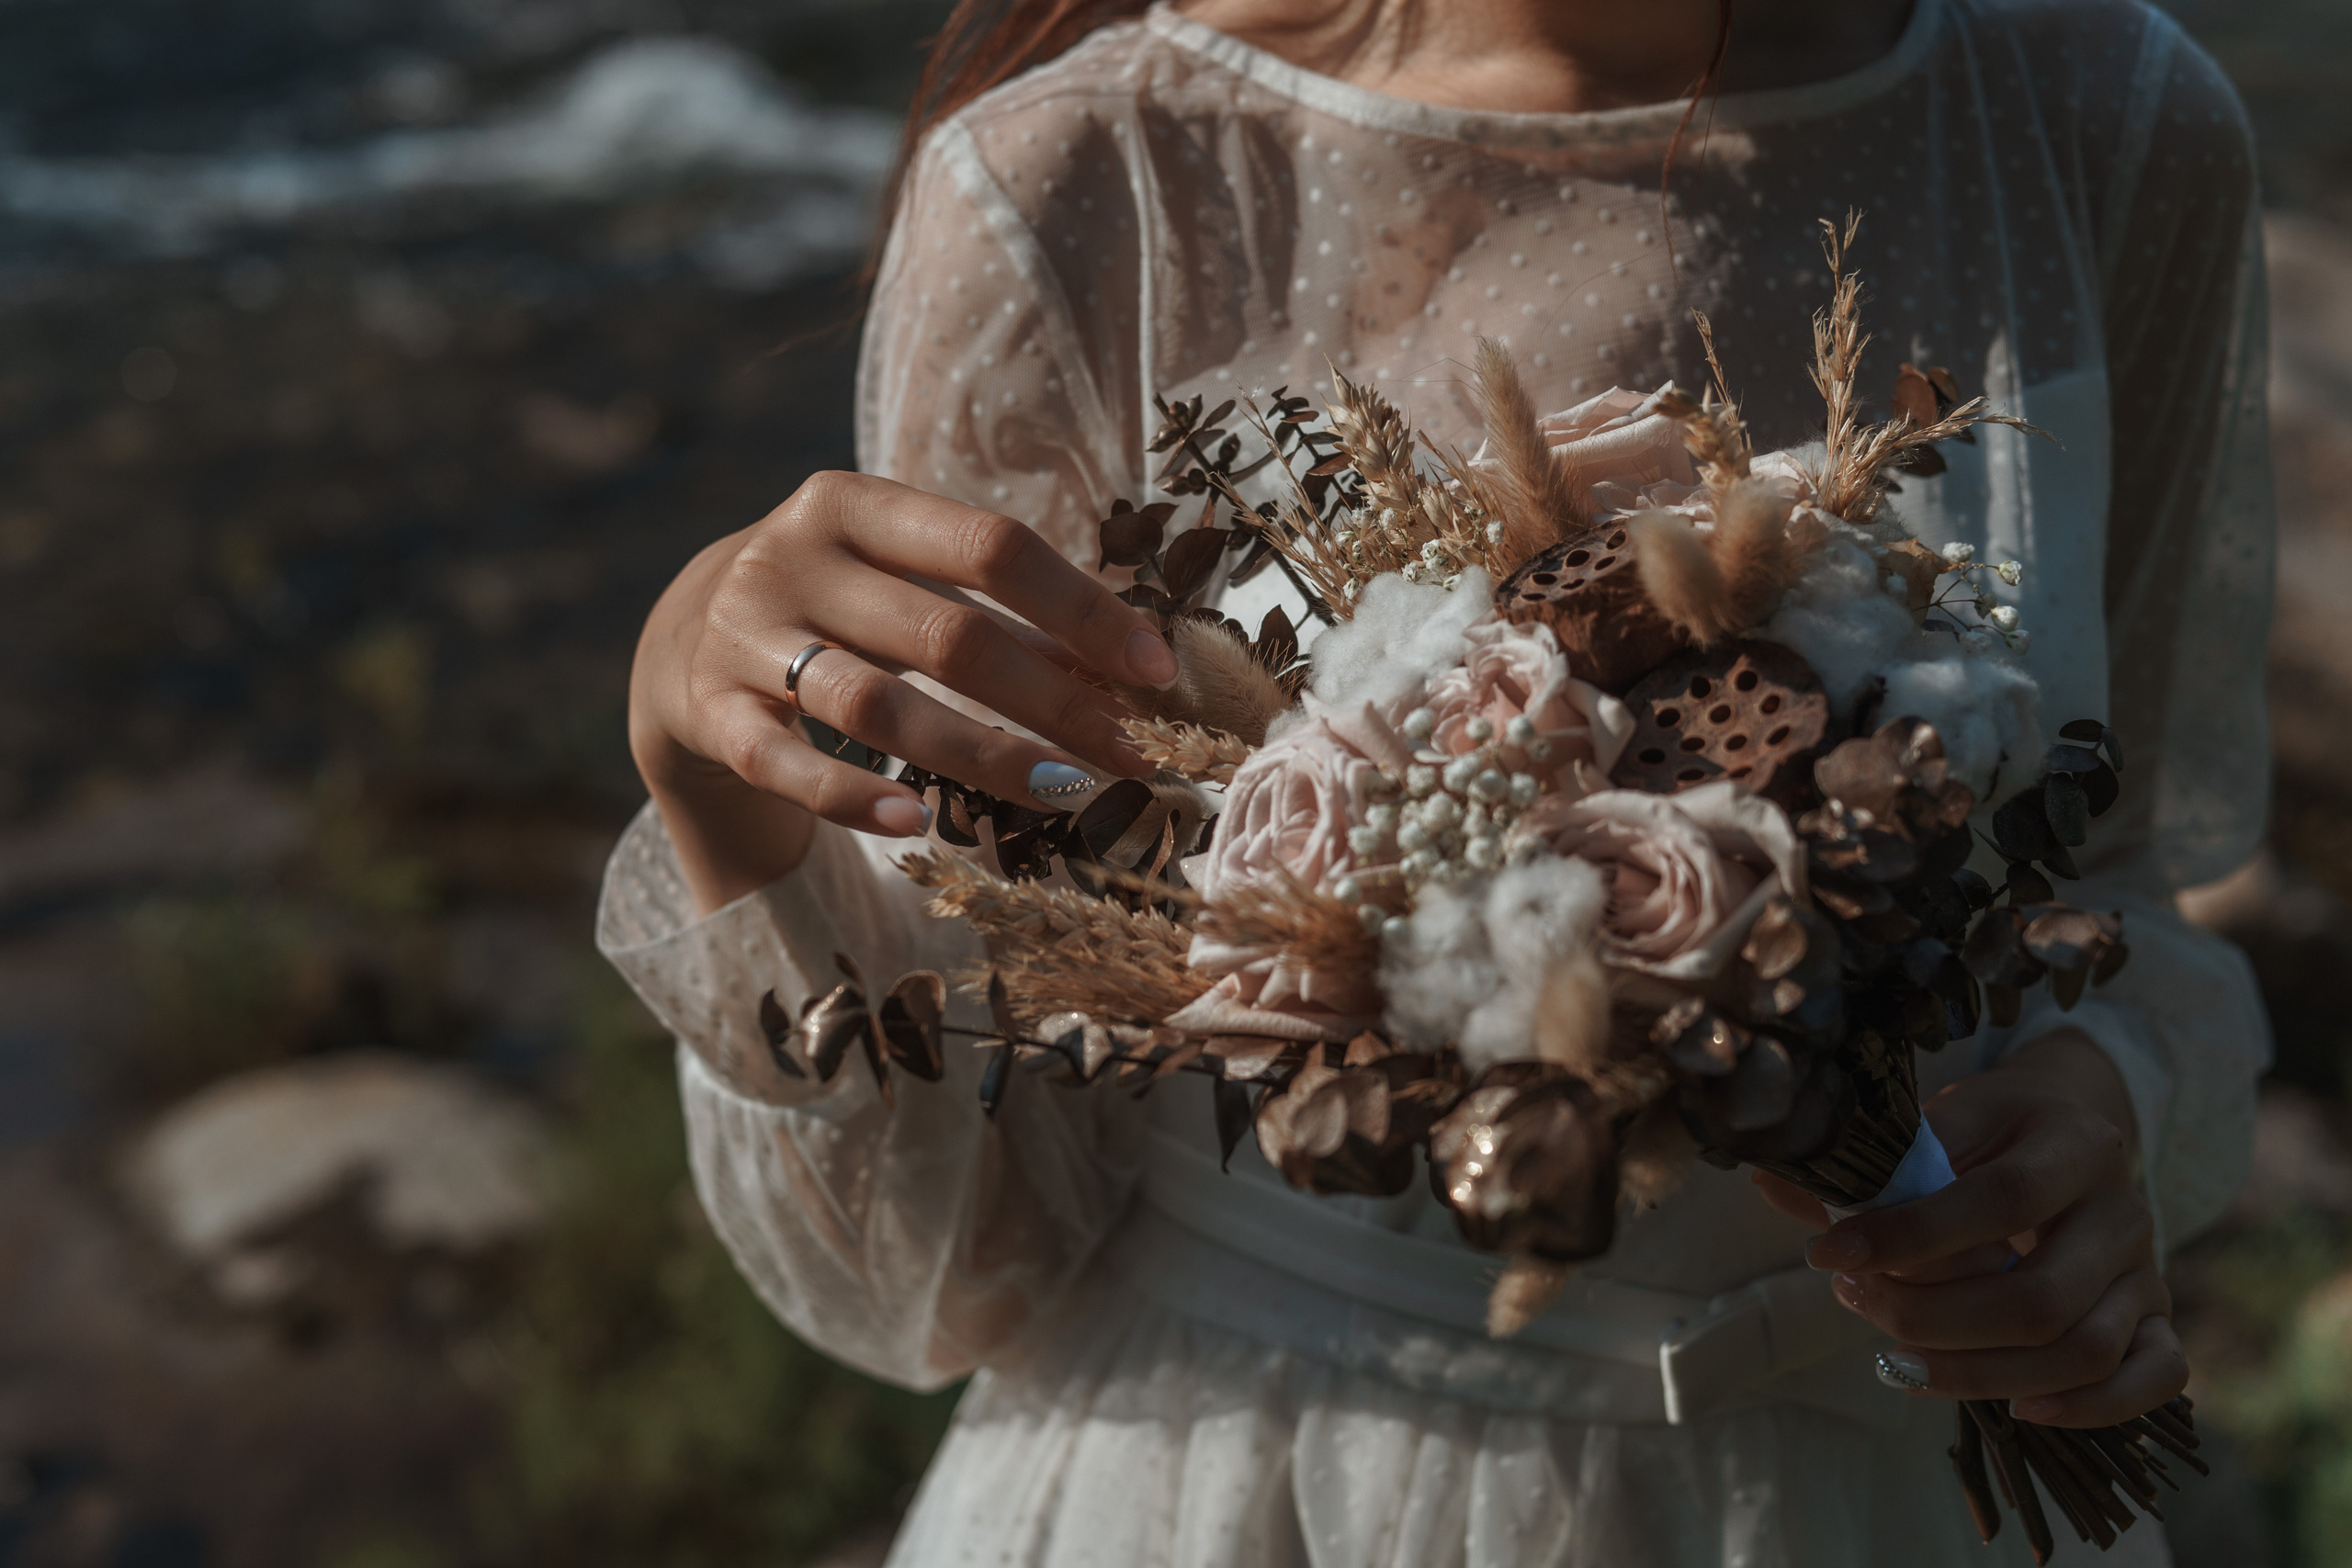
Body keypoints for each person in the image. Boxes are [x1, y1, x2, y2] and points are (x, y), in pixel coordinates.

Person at [601, 0, 2274, 1561]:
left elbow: (2119, 882)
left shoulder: (2101, 125)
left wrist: (2100, 1111)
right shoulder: (1097, 184)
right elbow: (957, 1250)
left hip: (1884, 1485)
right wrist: (712, 769)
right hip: (1265, 1483)